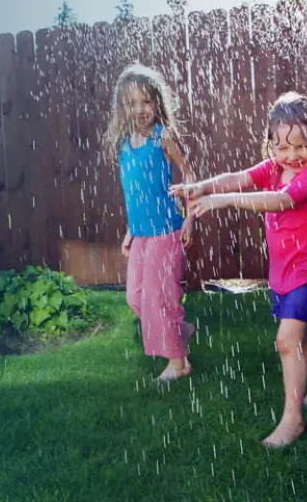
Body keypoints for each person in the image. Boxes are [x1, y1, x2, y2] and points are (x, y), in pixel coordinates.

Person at [171, 91, 307, 448]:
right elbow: (239, 177)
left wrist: (223, 201)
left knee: (285, 340)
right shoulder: (274, 169)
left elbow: (281, 200)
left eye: (302, 146)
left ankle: (292, 420)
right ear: (271, 146)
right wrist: (201, 187)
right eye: (283, 147)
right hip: (283, 272)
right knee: (300, 336)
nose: (292, 156)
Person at [102, 64, 197, 382]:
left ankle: (178, 363)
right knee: (135, 297)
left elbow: (189, 174)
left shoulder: (162, 138)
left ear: (157, 103)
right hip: (142, 234)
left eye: (146, 101)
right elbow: (136, 193)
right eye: (132, 103)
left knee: (161, 299)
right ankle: (179, 330)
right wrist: (131, 229)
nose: (140, 110)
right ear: (123, 108)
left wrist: (190, 218)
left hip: (167, 230)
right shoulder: (123, 145)